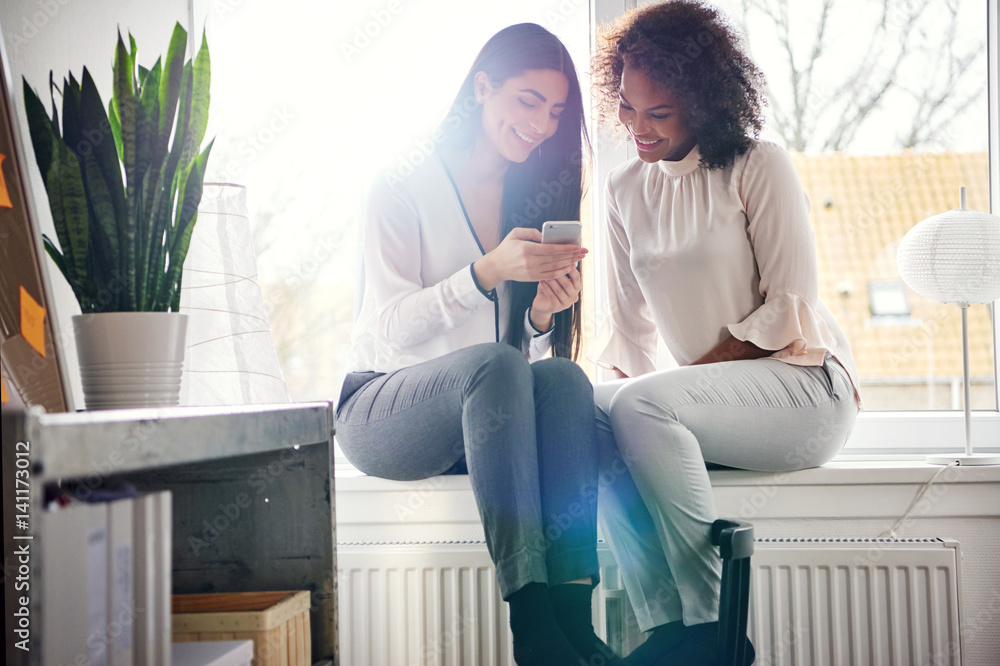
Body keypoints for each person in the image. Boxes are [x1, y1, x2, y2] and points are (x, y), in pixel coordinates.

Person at [336, 23, 619, 666]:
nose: (543, 126)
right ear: (483, 87)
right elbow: (385, 333)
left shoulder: (527, 192)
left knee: (565, 378)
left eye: (554, 112)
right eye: (527, 102)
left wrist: (542, 317)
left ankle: (575, 621)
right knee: (495, 365)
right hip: (380, 411)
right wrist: (485, 273)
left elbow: (506, 367)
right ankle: (534, 626)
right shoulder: (400, 182)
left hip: (476, 418)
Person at [588, 2, 862, 664]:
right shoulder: (624, 186)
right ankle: (663, 625)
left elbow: (789, 304)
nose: (639, 129)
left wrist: (665, 392)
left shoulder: (755, 163)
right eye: (628, 109)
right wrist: (615, 407)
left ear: (703, 103)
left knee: (644, 403)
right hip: (706, 404)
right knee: (587, 408)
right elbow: (629, 333)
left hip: (803, 388)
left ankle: (714, 631)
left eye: (660, 114)